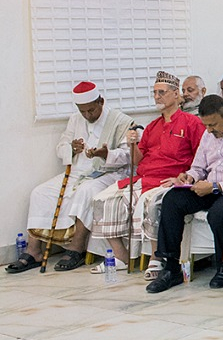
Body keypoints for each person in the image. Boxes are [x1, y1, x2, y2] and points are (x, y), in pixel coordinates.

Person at [146, 94, 223, 293]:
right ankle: (171, 267)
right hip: (209, 186)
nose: (209, 130)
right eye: (206, 125)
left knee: (218, 213)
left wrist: (216, 187)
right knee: (171, 200)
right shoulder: (208, 133)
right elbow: (199, 167)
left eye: (213, 125)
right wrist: (190, 177)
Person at [7, 82, 133, 274]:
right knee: (40, 193)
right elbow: (61, 147)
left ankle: (76, 248)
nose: (87, 115)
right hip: (77, 172)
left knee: (86, 191)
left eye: (91, 110)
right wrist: (71, 149)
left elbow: (129, 155)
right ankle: (34, 251)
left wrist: (106, 154)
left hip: (109, 174)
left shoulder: (121, 121)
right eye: (83, 111)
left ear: (101, 101)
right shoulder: (75, 120)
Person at [89, 72, 205, 271]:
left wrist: (184, 177)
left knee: (150, 203)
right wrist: (132, 144)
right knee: (102, 200)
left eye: (162, 92)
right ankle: (121, 257)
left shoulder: (191, 122)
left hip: (170, 180)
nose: (157, 97)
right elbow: (137, 160)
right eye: (155, 93)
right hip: (144, 177)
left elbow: (201, 158)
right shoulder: (152, 126)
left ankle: (156, 258)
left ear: (176, 94)